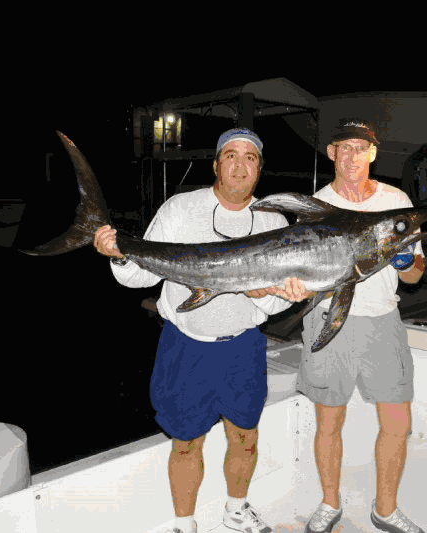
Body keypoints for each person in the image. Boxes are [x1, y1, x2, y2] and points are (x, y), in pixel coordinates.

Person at [93, 128, 309, 533]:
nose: (240, 166)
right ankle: (184, 523)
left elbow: (277, 302)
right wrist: (119, 255)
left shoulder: (274, 222)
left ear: (260, 169)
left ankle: (236, 510)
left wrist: (272, 294)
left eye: (250, 158)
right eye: (231, 156)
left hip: (243, 348)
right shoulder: (180, 208)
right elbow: (139, 277)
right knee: (186, 441)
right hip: (185, 346)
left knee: (245, 436)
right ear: (215, 164)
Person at [298, 119, 427, 533]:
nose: (352, 156)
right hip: (327, 317)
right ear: (331, 153)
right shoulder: (315, 207)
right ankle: (329, 503)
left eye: (361, 148)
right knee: (329, 422)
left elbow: (415, 276)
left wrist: (405, 262)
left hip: (382, 320)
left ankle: (385, 509)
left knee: (398, 423)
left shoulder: (396, 202)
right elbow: (301, 275)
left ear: (372, 153)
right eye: (344, 147)